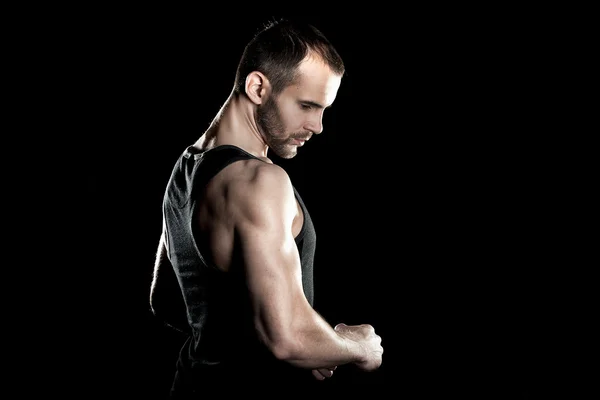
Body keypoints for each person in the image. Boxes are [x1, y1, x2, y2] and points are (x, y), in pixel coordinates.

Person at [149, 17, 383, 396]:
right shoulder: (261, 182)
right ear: (258, 87)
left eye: (323, 108)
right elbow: (288, 338)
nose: (319, 126)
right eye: (307, 105)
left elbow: (166, 301)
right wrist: (358, 348)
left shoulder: (187, 167)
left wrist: (315, 341)